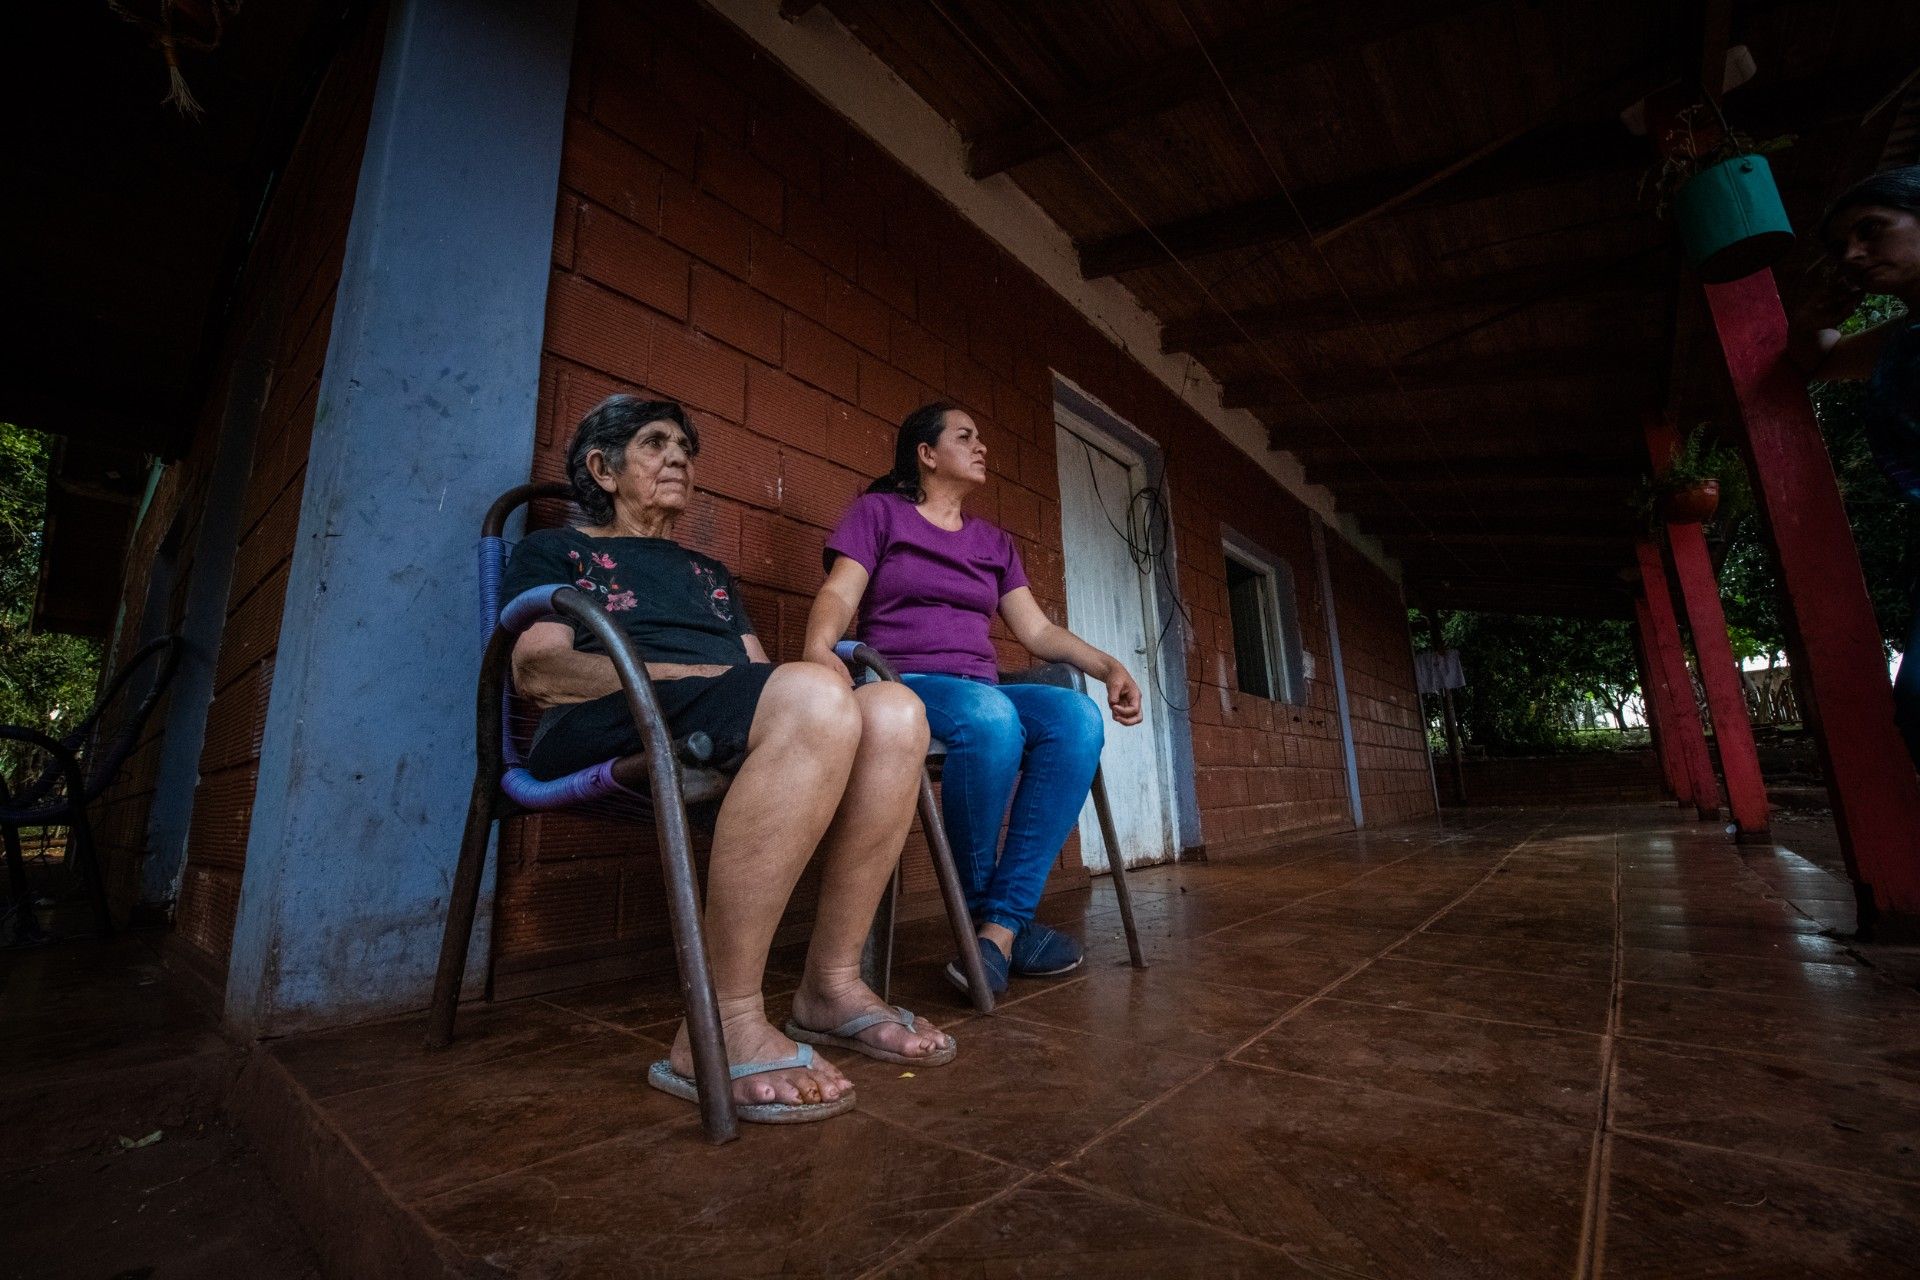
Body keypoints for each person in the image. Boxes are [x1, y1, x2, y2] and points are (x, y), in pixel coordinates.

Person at [503, 395, 954, 1124]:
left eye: (685, 446)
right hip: (607, 722)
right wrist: (694, 681)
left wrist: (764, 695)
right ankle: (722, 1019)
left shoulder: (708, 571)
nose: (680, 457)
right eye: (656, 444)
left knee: (897, 713)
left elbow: (758, 677)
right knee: (810, 696)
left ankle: (831, 985)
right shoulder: (557, 550)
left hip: (706, 720)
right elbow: (540, 671)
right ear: (602, 468)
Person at [804, 402, 1144, 996]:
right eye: (966, 437)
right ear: (927, 454)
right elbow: (839, 591)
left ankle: (996, 933)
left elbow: (1034, 631)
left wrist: (1108, 664)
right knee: (992, 719)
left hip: (980, 688)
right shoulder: (878, 513)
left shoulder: (993, 542)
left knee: (1077, 718)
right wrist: (818, 649)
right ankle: (996, 925)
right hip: (904, 682)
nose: (982, 446)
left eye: (982, 436)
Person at [1790, 165, 1920, 768]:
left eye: (1872, 229)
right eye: (1843, 247)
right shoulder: (1903, 339)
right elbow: (1824, 358)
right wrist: (1815, 314)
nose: (1855, 254)